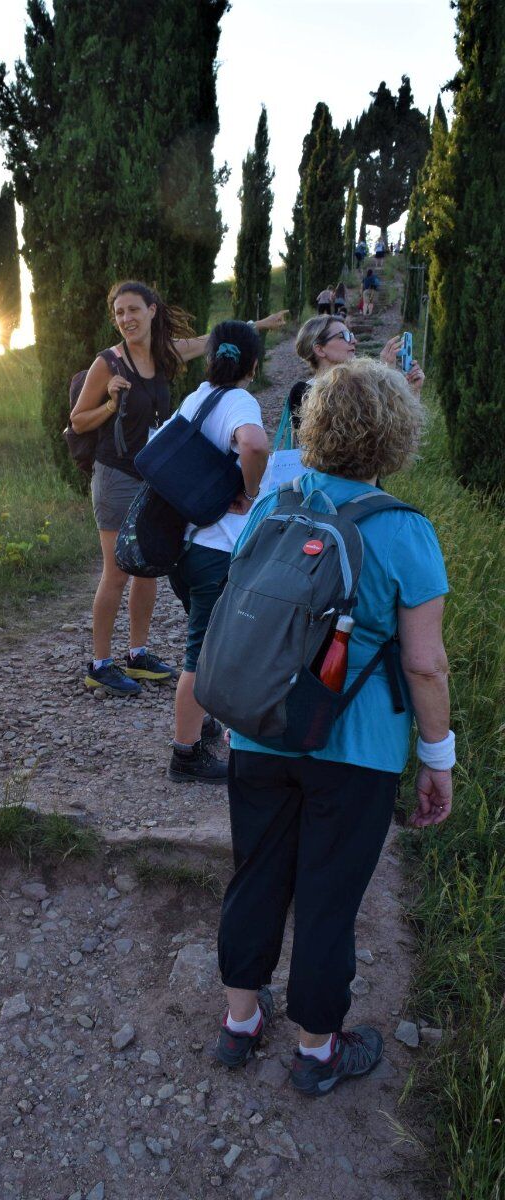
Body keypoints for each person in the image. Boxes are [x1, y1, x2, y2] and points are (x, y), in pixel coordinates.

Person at [214, 357, 453, 1097]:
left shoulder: (273, 504)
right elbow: (424, 666)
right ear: (396, 436)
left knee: (254, 875)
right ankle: (318, 1051)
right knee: (326, 898)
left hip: (259, 730)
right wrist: (436, 755)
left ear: (312, 425)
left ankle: (240, 1022)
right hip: (356, 750)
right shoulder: (404, 530)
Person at [69, 279, 286, 696]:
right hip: (116, 473)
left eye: (133, 309)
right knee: (117, 570)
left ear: (153, 310)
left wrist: (261, 324)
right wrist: (111, 404)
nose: (126, 319)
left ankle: (137, 654)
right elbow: (78, 420)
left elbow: (218, 340)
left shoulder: (167, 352)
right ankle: (99, 662)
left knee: (154, 561)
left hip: (158, 477)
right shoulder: (108, 363)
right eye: (119, 313)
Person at [166, 322, 268, 783]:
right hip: (216, 550)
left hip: (183, 549)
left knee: (202, 642)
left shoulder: (198, 396)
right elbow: (254, 443)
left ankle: (199, 718)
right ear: (252, 365)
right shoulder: (240, 400)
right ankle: (185, 756)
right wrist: (250, 490)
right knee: (202, 657)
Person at [284, 314, 424, 437]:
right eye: (343, 336)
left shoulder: (365, 384)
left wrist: (411, 390)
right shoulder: (303, 392)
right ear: (319, 349)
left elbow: (401, 434)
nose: (353, 341)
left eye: (351, 335)